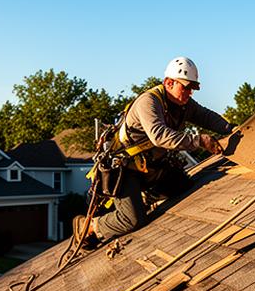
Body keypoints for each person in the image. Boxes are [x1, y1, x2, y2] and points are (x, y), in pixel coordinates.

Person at [75, 57, 234, 245]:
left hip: (151, 167)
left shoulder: (183, 105)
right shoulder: (148, 102)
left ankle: (146, 197)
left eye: (192, 88)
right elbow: (159, 136)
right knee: (133, 220)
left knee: (184, 186)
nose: (190, 93)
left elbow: (206, 117)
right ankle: (90, 225)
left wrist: (232, 129)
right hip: (125, 171)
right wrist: (199, 140)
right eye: (186, 87)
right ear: (169, 82)